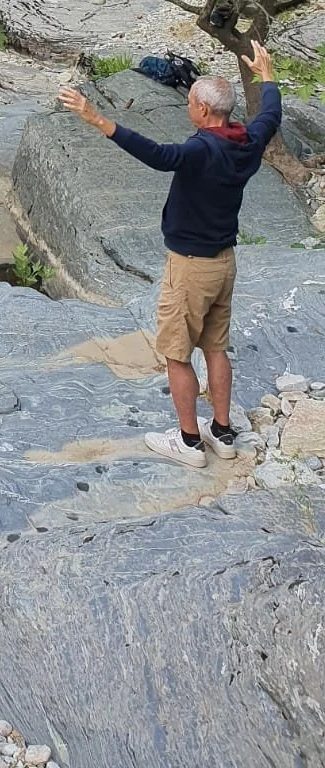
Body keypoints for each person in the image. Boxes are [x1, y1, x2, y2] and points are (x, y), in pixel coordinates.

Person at [59, 41, 281, 469]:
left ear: (203, 109)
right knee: (216, 348)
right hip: (224, 263)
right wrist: (266, 76)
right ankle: (222, 432)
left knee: (177, 354)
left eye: (191, 102)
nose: (188, 107)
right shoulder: (247, 141)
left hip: (191, 267)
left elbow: (160, 156)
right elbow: (270, 114)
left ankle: (189, 442)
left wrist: (96, 118)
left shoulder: (201, 150)